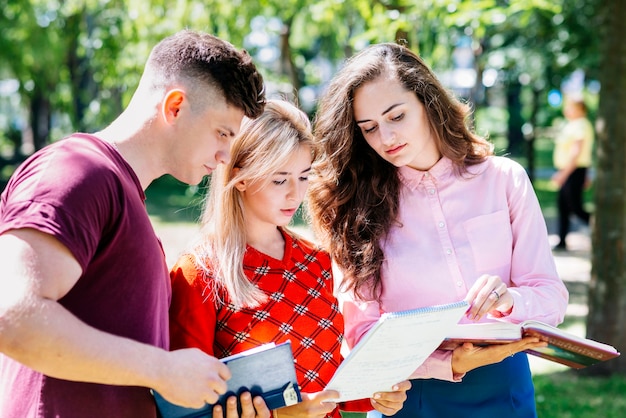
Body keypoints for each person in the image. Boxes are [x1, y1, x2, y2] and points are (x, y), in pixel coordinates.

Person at [0, 30, 267, 418]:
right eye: (222, 133)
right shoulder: (76, 172)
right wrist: (163, 370)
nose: (226, 156)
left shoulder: (125, 198)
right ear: (175, 106)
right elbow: (12, 317)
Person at [306, 43, 569, 417]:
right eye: (369, 128)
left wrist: (511, 301)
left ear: (427, 100)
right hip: (409, 397)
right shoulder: (355, 208)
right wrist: (449, 365)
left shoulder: (504, 180)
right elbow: (360, 336)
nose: (386, 138)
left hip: (505, 389)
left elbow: (551, 297)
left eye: (396, 116)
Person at [168, 99, 410, 418]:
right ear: (239, 176)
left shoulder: (319, 261)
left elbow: (325, 377)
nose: (295, 194)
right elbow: (183, 407)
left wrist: (374, 394)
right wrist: (282, 415)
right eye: (280, 179)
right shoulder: (198, 273)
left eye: (304, 176)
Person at [551, 95, 594, 251]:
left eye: (570, 107)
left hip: (573, 171)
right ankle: (562, 240)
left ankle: (600, 227)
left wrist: (563, 174)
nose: (566, 110)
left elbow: (577, 152)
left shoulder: (581, 125)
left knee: (576, 207)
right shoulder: (572, 124)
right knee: (563, 206)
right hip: (569, 170)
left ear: (580, 109)